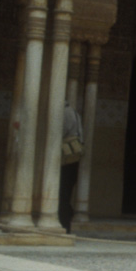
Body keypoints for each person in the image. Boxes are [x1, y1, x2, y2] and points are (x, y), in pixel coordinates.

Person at [59, 100, 83, 233]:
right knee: (66, 193)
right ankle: (66, 224)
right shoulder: (74, 112)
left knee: (62, 194)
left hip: (65, 159)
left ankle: (64, 224)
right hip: (74, 159)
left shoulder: (63, 112)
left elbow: (59, 133)